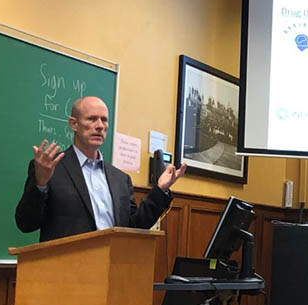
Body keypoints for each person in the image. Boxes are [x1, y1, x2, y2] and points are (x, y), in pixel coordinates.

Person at [15, 96, 186, 243]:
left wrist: (160, 189)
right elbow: (26, 223)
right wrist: (41, 184)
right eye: (91, 119)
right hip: (67, 272)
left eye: (104, 120)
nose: (99, 126)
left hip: (113, 269)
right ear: (74, 124)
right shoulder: (51, 168)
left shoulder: (120, 179)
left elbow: (135, 226)